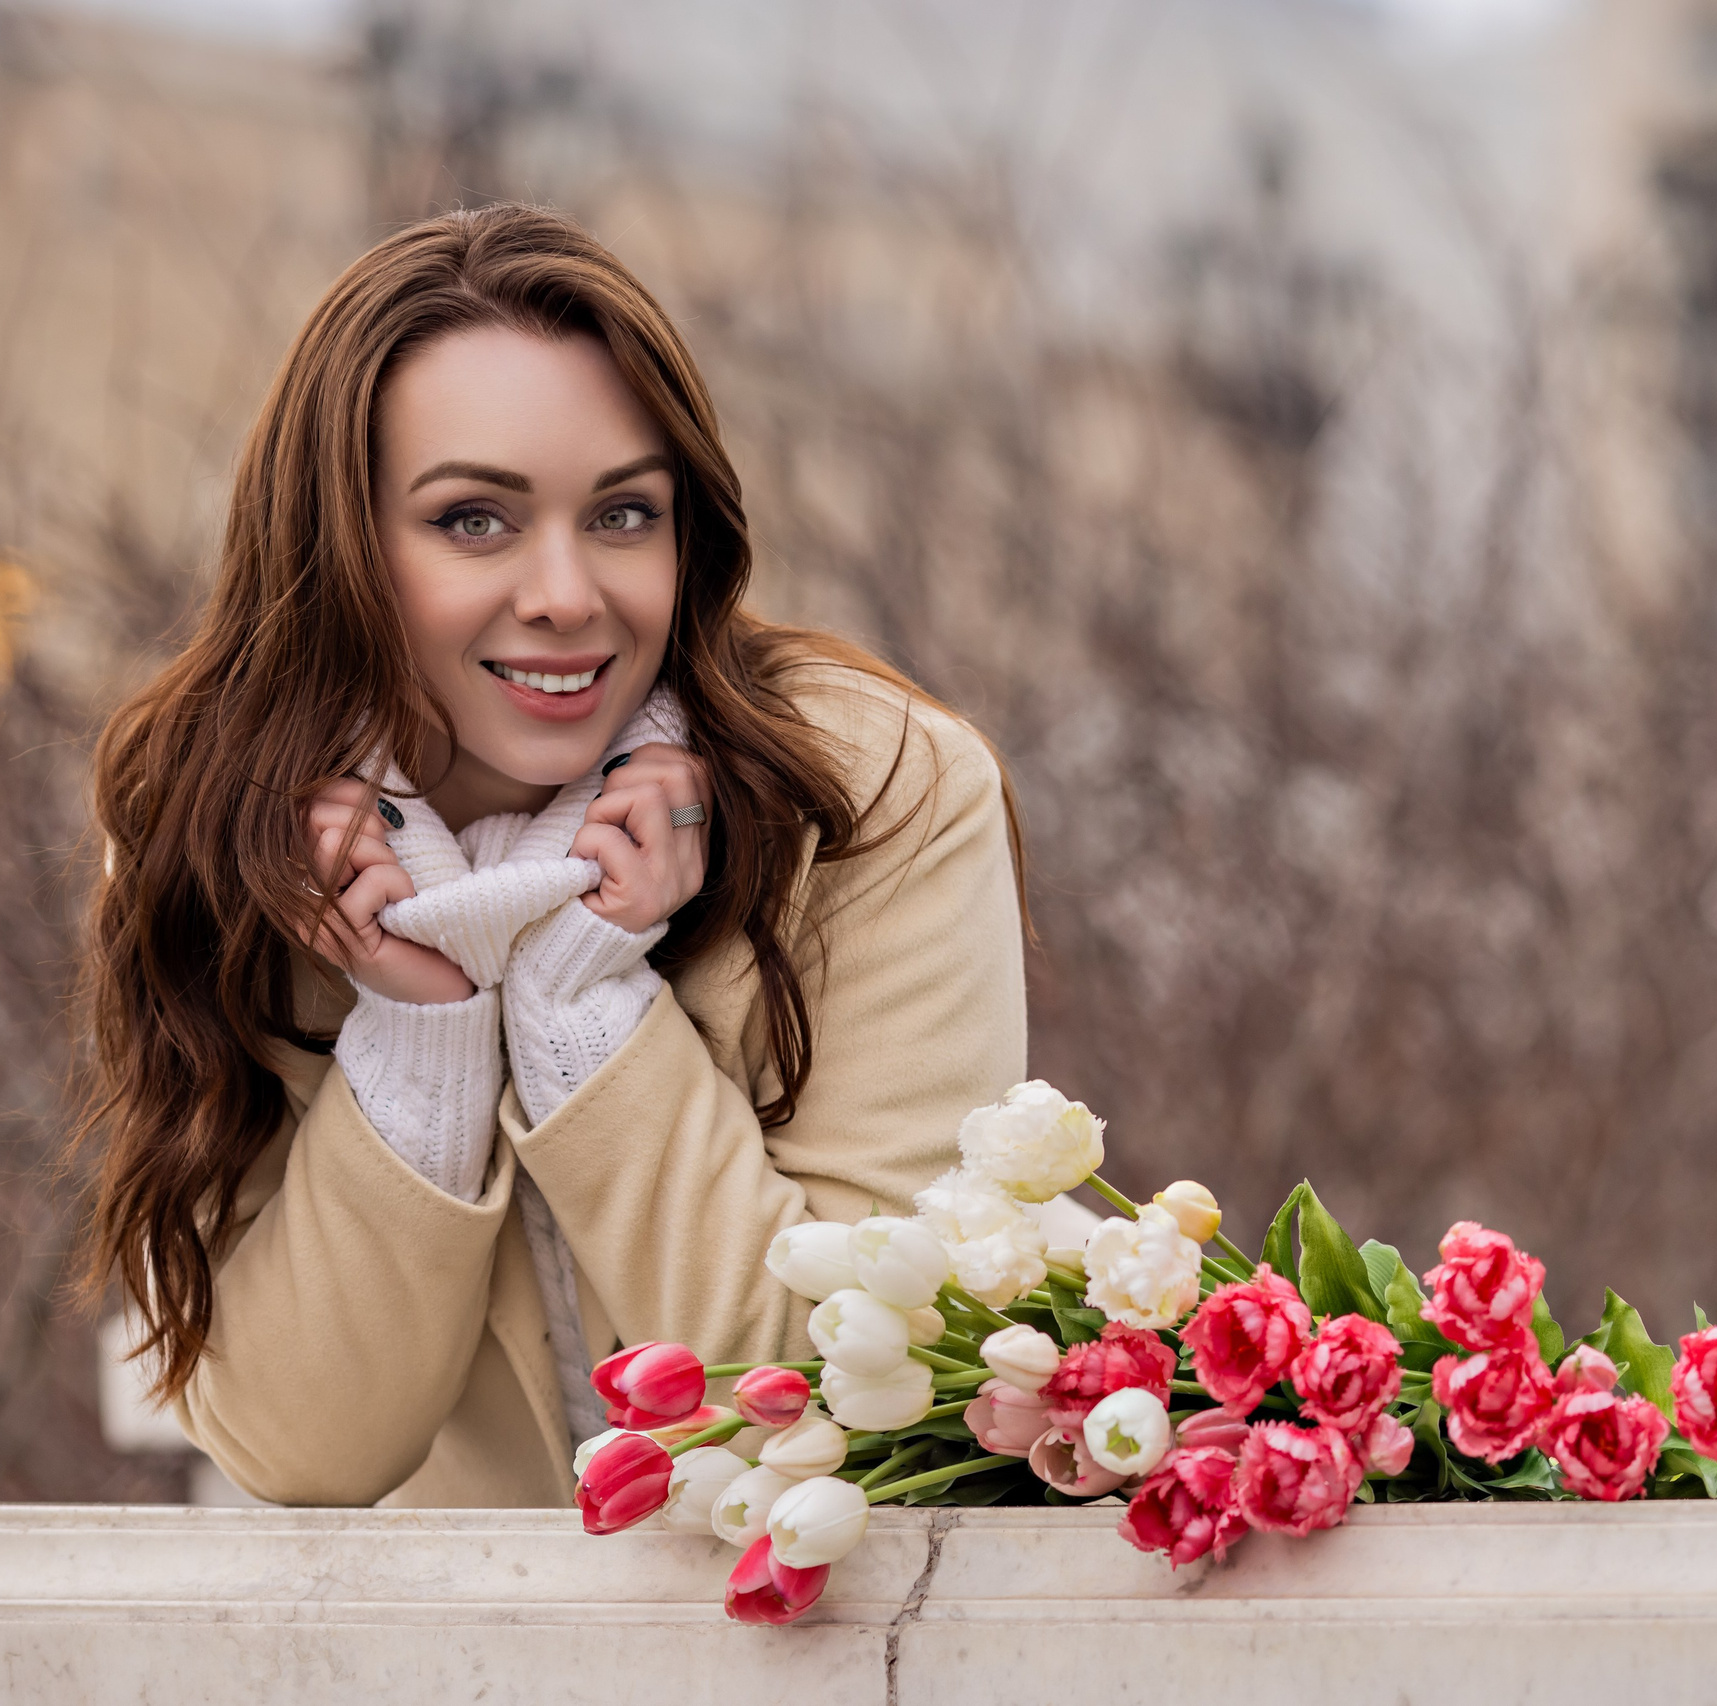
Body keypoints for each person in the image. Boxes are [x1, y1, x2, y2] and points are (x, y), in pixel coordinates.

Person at [71, 204, 1027, 1507]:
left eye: (625, 513)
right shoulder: (218, 829)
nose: (570, 592)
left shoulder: (876, 800)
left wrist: (583, 1004)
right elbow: (306, 1445)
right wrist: (423, 1029)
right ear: (342, 543)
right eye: (475, 520)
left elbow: (862, 1394)